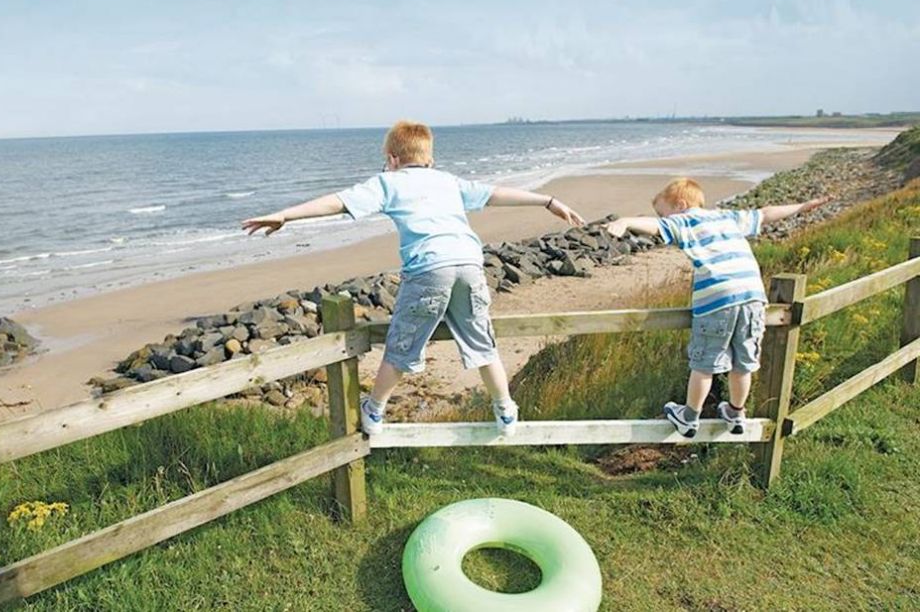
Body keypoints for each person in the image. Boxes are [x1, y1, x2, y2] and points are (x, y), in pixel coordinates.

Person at [242, 120, 585, 436]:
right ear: (430, 159)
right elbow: (496, 193)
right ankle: (505, 410)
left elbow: (338, 202)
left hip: (429, 268)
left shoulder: (387, 183)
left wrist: (285, 215)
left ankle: (374, 411)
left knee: (402, 344)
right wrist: (548, 201)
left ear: (391, 159)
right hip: (469, 262)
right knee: (482, 341)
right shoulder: (448, 181)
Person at [605, 178, 830, 437]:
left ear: (679, 205)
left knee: (705, 362)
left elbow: (656, 227)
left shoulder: (684, 220)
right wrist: (803, 206)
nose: (663, 217)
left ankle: (689, 417)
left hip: (718, 298)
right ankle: (736, 412)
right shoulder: (727, 217)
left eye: (663, 211)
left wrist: (625, 222)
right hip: (753, 296)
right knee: (743, 361)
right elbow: (766, 213)